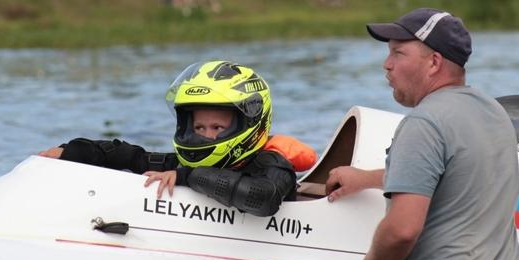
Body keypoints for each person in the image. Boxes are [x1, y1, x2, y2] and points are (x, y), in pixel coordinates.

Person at [330, 8, 519, 260]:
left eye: (398, 52)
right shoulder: (492, 111)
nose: (387, 64)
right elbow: (456, 175)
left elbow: (402, 230)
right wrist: (367, 179)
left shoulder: (424, 123)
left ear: (434, 62)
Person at [38, 60, 317, 217]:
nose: (207, 136)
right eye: (199, 128)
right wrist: (71, 152)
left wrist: (187, 176)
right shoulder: (187, 162)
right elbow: (133, 157)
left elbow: (263, 197)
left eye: (218, 128)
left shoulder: (273, 164)